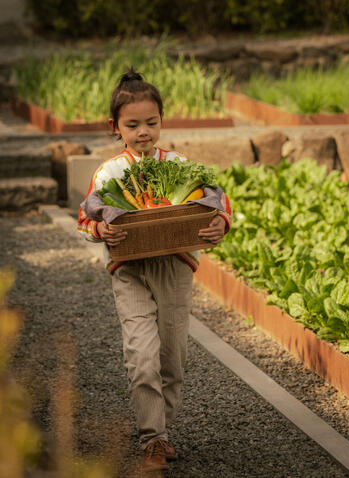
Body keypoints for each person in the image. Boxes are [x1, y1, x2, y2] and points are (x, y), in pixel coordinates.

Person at [78, 67, 232, 473]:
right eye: (133, 125)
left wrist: (221, 223)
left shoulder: (180, 164)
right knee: (140, 353)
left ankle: (164, 426)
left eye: (151, 122)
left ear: (162, 120)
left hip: (176, 267)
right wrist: (100, 228)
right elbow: (86, 216)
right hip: (129, 271)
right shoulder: (109, 172)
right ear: (116, 127)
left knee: (172, 354)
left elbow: (216, 201)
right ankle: (154, 439)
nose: (143, 131)